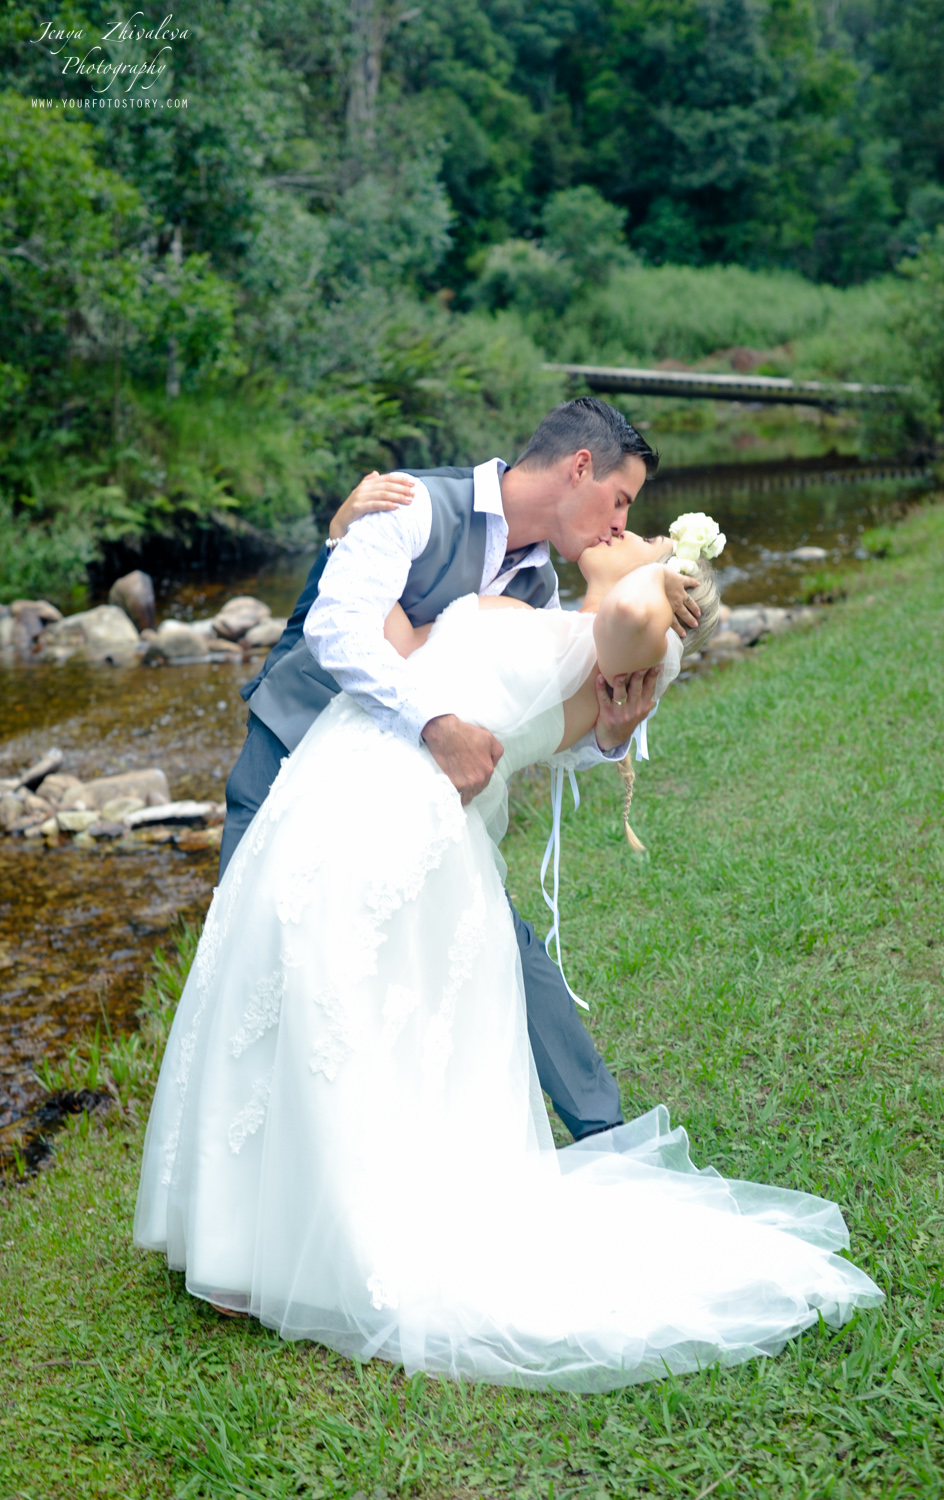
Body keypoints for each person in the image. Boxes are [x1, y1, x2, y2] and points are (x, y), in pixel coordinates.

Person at [134, 520, 882, 1392]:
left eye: (637, 519)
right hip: (345, 781)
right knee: (285, 1003)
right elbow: (400, 644)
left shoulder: (632, 643)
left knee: (336, 1017)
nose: (624, 526)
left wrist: (670, 567)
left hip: (407, 821)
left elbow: (635, 613)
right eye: (624, 511)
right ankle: (242, 1242)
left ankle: (336, 1247)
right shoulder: (559, 613)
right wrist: (351, 532)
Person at [217, 398, 704, 1142]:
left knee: (491, 935)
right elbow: (336, 625)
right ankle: (260, 1168)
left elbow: (526, 718)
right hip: (293, 759)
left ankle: (602, 1130)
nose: (619, 523)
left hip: (415, 799)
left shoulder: (539, 591)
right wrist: (435, 722)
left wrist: (609, 738)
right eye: (620, 500)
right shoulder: (409, 501)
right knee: (254, 961)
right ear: (580, 467)